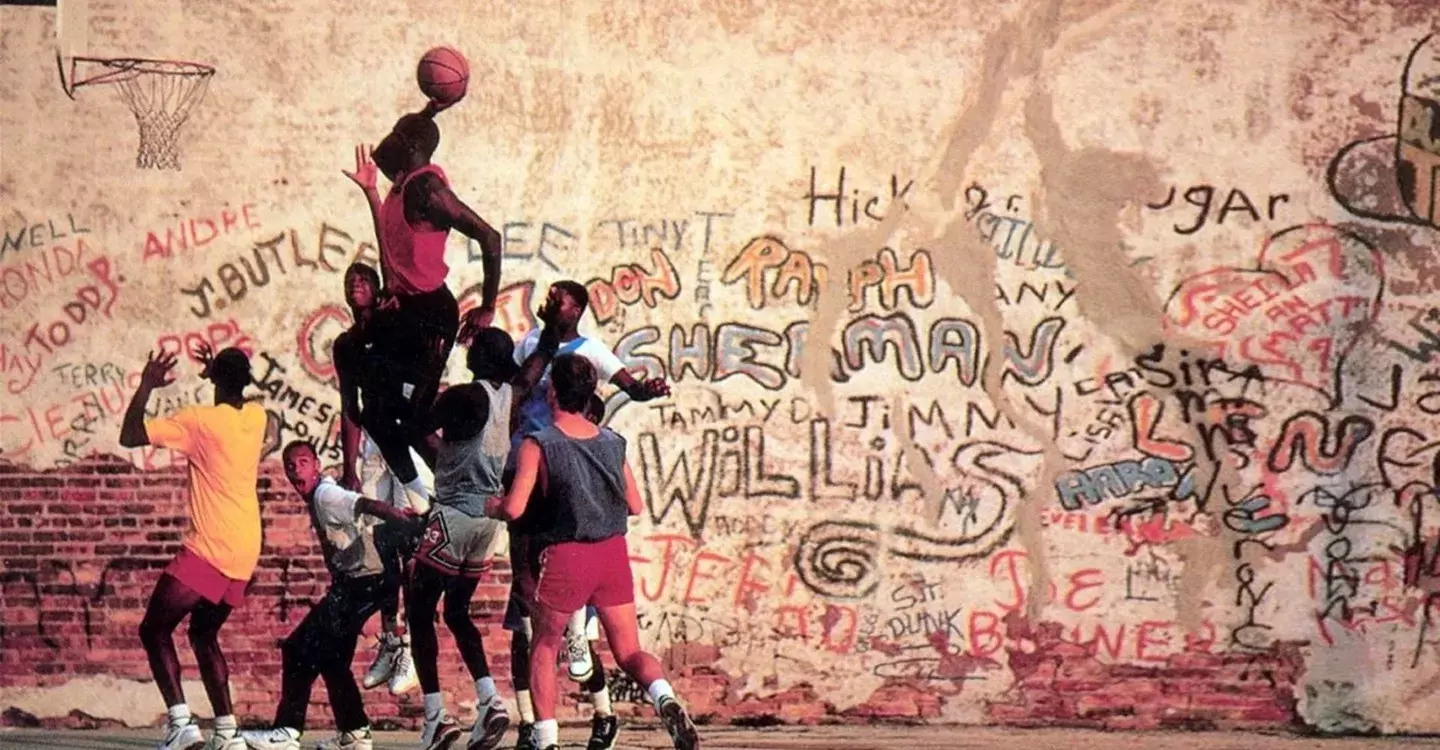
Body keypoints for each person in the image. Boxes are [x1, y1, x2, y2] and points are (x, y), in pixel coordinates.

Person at [486, 355, 699, 750]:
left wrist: (493, 506)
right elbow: (635, 506)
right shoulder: (613, 441)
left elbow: (514, 508)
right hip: (613, 554)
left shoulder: (540, 443)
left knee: (545, 647)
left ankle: (546, 739)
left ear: (552, 392)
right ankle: (663, 697)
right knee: (630, 651)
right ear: (589, 395)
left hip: (567, 555)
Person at [500, 282, 670, 750]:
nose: (551, 298)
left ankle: (552, 712)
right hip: (528, 461)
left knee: (563, 553)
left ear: (577, 308)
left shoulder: (591, 351)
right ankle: (545, 706)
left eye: (561, 295)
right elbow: (511, 392)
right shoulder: (531, 343)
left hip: (560, 460)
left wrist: (646, 389)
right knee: (530, 579)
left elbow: (629, 387)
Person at [340, 119, 500, 512]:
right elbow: (389, 253)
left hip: (431, 316)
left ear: (410, 145)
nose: (387, 142)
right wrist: (371, 193)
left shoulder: (429, 189)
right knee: (375, 412)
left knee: (413, 421)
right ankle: (421, 497)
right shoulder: (401, 190)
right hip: (406, 314)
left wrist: (488, 306)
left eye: (397, 136)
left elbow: (490, 237)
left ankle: (463, 492)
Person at [119, 345, 267, 750]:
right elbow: (234, 393)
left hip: (210, 547)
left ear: (216, 380)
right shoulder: (257, 417)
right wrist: (215, 373)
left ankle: (182, 726)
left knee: (153, 630)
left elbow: (130, 435)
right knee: (203, 635)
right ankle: (227, 732)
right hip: (245, 549)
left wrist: (148, 385)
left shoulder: (199, 421)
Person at [240, 442, 424, 750]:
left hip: (363, 583)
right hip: (357, 583)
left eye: (303, 462)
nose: (296, 469)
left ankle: (286, 732)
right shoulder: (317, 496)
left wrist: (402, 518)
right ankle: (354, 733)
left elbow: (366, 504)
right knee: (332, 659)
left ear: (317, 465)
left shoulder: (326, 495)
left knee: (298, 650)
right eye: (290, 465)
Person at [406, 328, 517, 750]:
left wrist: (433, 361)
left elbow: (416, 423)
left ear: (483, 357)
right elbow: (535, 366)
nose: (467, 352)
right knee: (456, 611)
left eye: (474, 348)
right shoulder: (510, 394)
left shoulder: (465, 396)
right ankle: (490, 699)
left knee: (418, 612)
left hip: (454, 515)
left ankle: (435, 716)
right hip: (488, 521)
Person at [332, 261, 423, 695]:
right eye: (351, 282)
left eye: (364, 280)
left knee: (411, 540)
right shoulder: (346, 344)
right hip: (372, 442)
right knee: (377, 544)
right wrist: (349, 465)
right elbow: (349, 404)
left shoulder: (398, 328)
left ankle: (411, 647)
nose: (356, 286)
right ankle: (392, 638)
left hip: (404, 437)